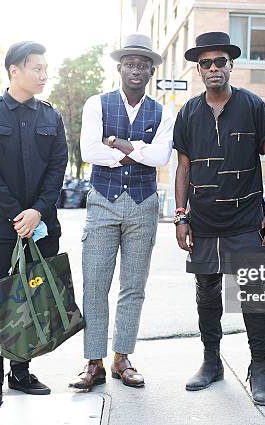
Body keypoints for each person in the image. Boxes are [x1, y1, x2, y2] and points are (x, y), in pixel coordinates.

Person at [173, 32, 265, 406]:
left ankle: (259, 368)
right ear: (199, 69)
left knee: (253, 295)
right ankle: (211, 362)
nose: (214, 68)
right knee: (206, 293)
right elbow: (183, 169)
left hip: (246, 218)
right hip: (203, 221)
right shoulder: (188, 112)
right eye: (206, 63)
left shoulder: (253, 105)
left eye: (220, 61)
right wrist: (180, 216)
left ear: (231, 65)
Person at [68, 34, 173, 391]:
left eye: (143, 65)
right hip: (102, 201)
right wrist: (135, 150)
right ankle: (93, 360)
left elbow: (161, 158)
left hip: (144, 204)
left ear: (150, 72)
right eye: (130, 63)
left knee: (133, 286)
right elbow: (88, 151)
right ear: (119, 68)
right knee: (95, 284)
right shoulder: (97, 104)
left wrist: (116, 144)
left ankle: (122, 357)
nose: (136, 69)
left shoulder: (163, 111)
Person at [0, 41, 68, 405]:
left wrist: (38, 211)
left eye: (45, 68)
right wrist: (16, 214)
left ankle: (21, 373)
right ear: (15, 71)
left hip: (41, 225)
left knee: (32, 294)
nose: (44, 75)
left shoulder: (51, 118)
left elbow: (58, 168)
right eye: (37, 68)